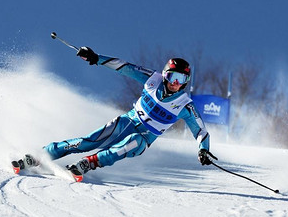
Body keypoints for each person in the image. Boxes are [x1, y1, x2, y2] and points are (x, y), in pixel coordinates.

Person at [12, 47, 217, 182]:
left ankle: (90, 162)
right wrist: (95, 58)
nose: (175, 83)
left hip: (146, 136)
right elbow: (124, 67)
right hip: (128, 121)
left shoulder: (184, 105)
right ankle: (41, 156)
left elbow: (201, 131)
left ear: (186, 82)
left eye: (181, 79)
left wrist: (203, 150)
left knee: (133, 142)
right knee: (89, 142)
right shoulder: (152, 79)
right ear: (165, 75)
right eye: (172, 76)